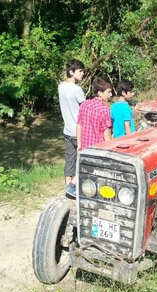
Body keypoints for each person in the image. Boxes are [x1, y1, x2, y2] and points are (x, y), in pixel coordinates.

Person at [58, 59, 85, 196]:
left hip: (67, 130)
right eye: (80, 71)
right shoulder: (77, 89)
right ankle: (74, 185)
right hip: (78, 131)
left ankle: (68, 185)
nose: (83, 74)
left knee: (70, 158)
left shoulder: (61, 86)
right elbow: (84, 108)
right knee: (84, 158)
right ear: (71, 72)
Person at [77, 77, 113, 151]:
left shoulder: (84, 105)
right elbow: (106, 134)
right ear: (100, 93)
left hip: (85, 149)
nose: (111, 95)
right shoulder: (104, 109)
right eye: (108, 92)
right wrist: (110, 150)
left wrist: (79, 145)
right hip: (99, 149)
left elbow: (79, 126)